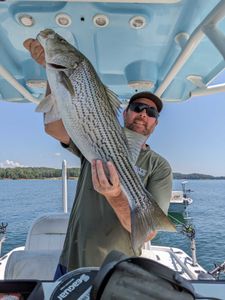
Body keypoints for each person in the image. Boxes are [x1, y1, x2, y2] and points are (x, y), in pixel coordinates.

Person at [24, 39, 173, 278]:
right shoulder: (93, 137)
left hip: (116, 270)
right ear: (125, 113)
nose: (143, 114)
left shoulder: (159, 167)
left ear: (156, 122)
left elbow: (147, 234)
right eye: (137, 107)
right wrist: (52, 73)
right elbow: (53, 128)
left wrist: (115, 196)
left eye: (151, 112)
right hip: (69, 262)